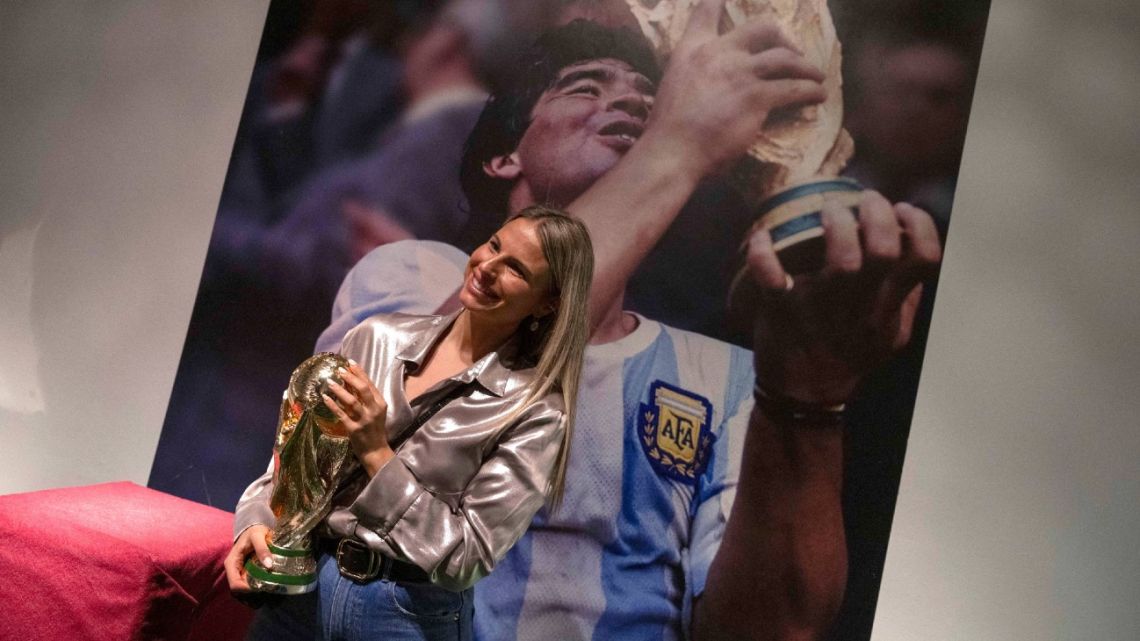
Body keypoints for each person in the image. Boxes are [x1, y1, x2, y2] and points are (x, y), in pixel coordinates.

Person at [316, 3, 943, 640]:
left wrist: (807, 397)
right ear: (505, 156)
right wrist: (678, 139)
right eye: (586, 87)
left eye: (652, 100)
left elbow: (772, 629)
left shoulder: (728, 373)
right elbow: (424, 423)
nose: (634, 107)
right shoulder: (409, 276)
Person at [225, 207, 596, 641]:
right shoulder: (375, 337)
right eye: (494, 245)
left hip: (407, 614)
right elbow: (292, 462)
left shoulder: (535, 411)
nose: (487, 268)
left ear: (548, 303)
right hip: (301, 592)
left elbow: (466, 557)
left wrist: (376, 451)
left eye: (515, 268)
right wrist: (254, 522)